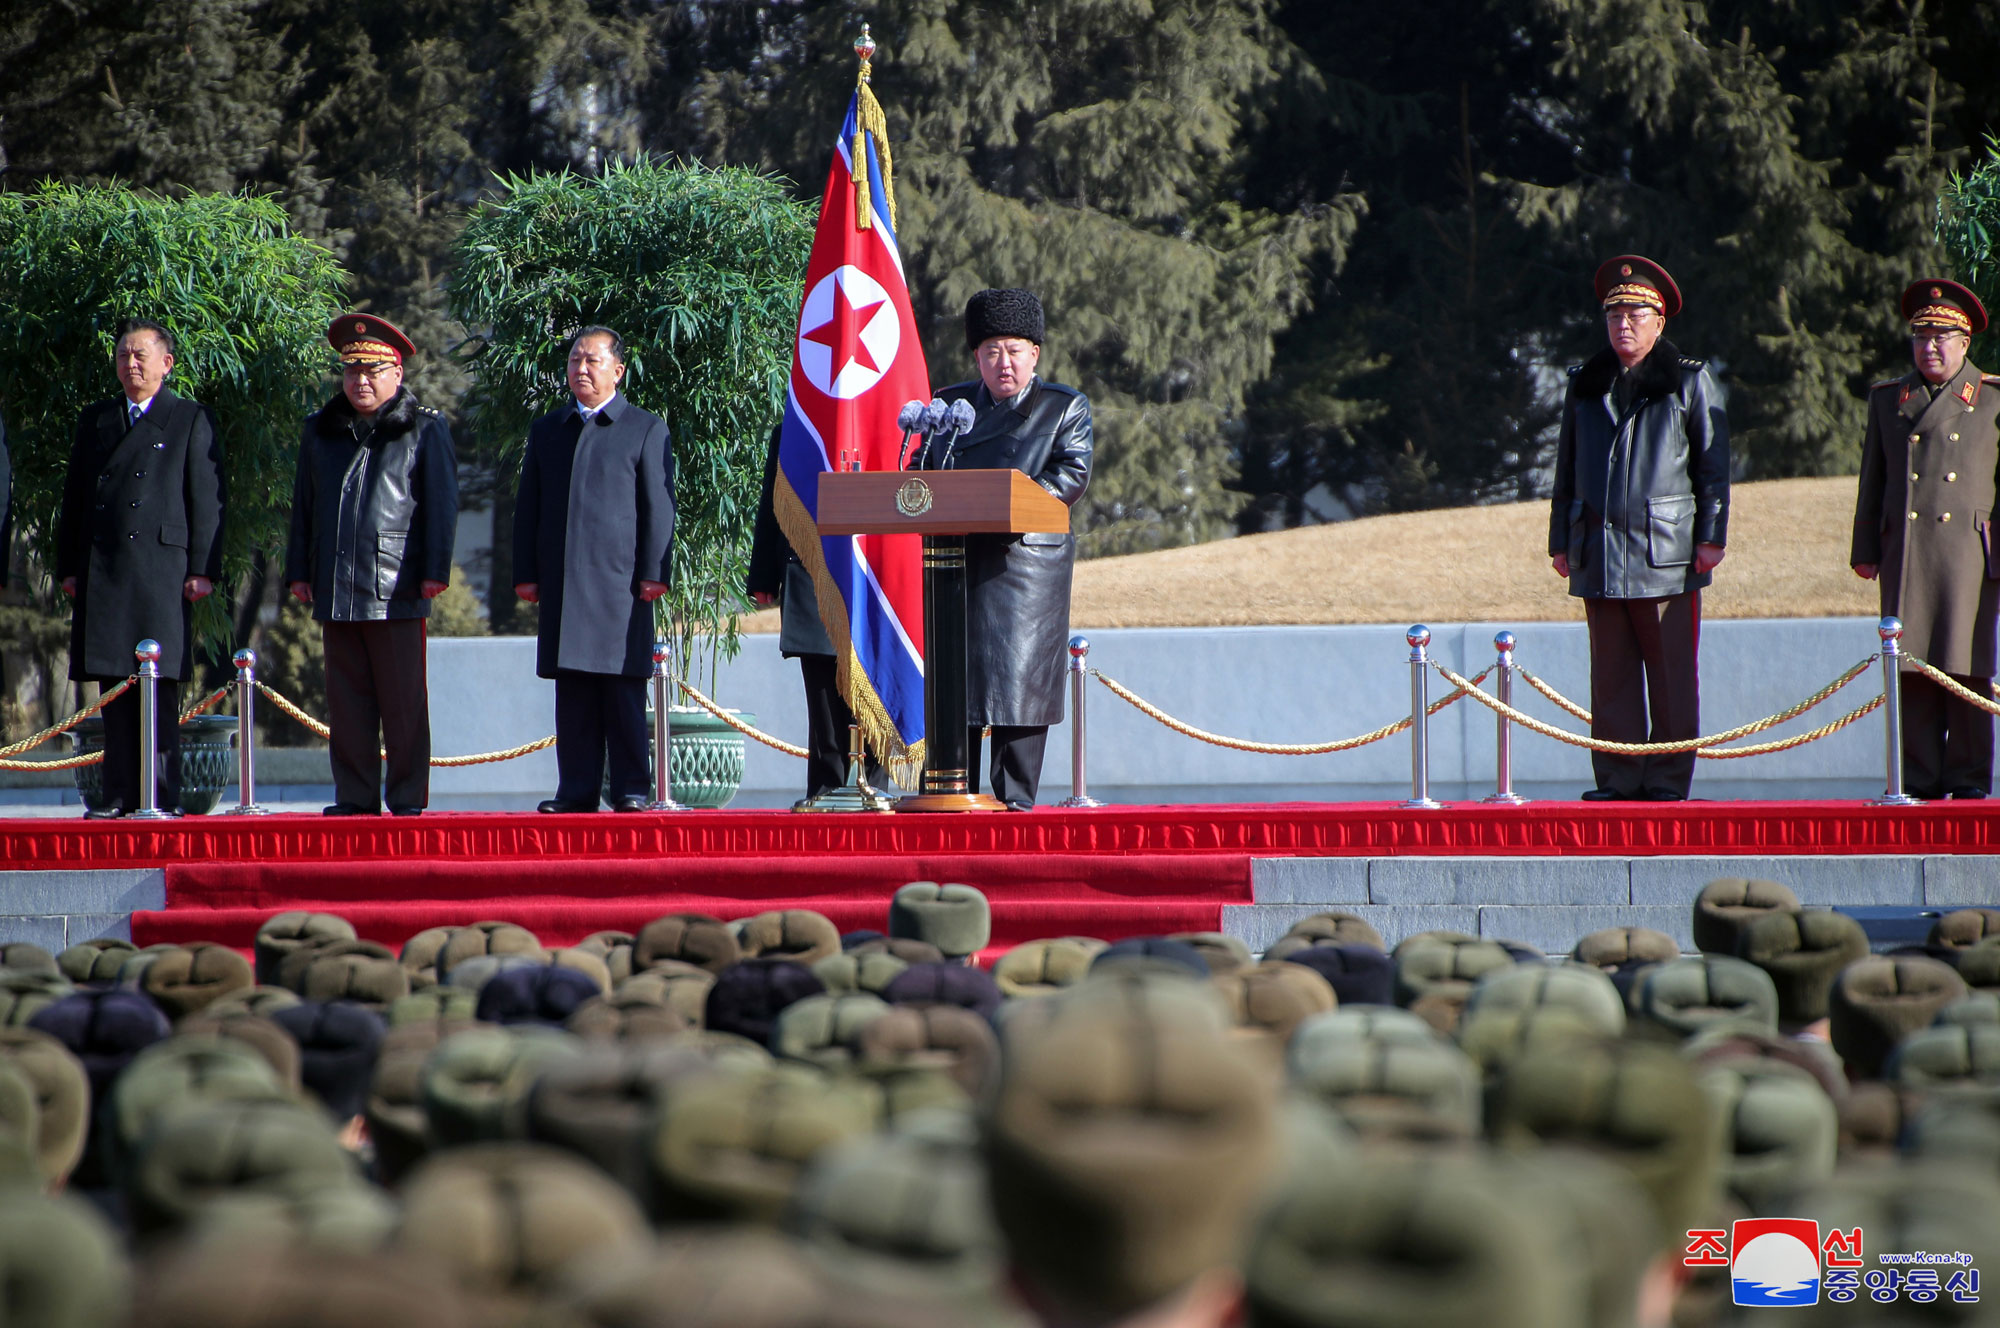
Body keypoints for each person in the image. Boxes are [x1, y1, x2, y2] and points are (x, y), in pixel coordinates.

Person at [1548, 256, 1729, 803]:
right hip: (1599, 549)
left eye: (1635, 314)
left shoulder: (1690, 382)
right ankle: (1619, 779)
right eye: (1614, 315)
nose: (1623, 325)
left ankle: (1668, 780)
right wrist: (1561, 540)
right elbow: (1566, 467)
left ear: (1659, 321)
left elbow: (1712, 468)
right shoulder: (1586, 384)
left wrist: (1711, 536)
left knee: (1671, 678)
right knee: (1612, 679)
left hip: (1666, 554)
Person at [283, 314, 458, 817]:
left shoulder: (424, 428)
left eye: (373, 371)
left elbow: (441, 506)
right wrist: (299, 570)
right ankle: (355, 798)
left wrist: (434, 572)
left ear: (397, 373)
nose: (361, 381)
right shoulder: (321, 430)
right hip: (335, 583)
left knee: (403, 705)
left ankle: (405, 799)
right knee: (348, 704)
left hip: (396, 583)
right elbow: (305, 507)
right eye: (352, 370)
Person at [927, 289, 1093, 810]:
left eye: (1015, 350)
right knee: (959, 696)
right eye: (992, 350)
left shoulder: (1062, 407)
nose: (1004, 363)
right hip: (957, 567)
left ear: (1035, 354)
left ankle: (1016, 809)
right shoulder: (950, 407)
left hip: (1024, 572)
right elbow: (929, 473)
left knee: (1018, 696)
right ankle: (954, 800)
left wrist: (1008, 501)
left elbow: (1070, 474)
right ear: (976, 356)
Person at [55, 319, 225, 818]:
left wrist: (203, 569)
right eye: (124, 355)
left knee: (158, 686)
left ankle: (161, 795)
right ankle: (117, 795)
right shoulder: (98, 420)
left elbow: (207, 501)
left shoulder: (188, 418)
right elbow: (76, 499)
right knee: (113, 685)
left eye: (141, 355)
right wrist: (70, 565)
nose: (131, 364)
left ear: (166, 364)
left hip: (161, 569)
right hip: (105, 567)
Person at [513, 327, 674, 814]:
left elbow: (658, 507)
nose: (581, 369)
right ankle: (576, 790)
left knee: (623, 692)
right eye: (575, 360)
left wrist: (654, 571)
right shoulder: (548, 430)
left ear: (618, 371)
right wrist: (527, 572)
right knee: (575, 695)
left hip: (622, 587)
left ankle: (630, 789)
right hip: (565, 585)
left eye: (593, 361)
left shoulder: (644, 428)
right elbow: (529, 508)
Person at [1850, 279, 2000, 800]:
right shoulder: (1891, 399)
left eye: (1941, 337)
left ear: (1965, 343)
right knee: (1909, 665)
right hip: (1908, 552)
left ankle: (1967, 778)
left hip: (1969, 556)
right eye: (1921, 337)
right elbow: (1874, 479)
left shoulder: (1993, 399)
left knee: (1968, 666)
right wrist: (1866, 549)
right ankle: (1916, 776)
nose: (1930, 347)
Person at [746, 424, 884, 804]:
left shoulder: (886, 416)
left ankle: (873, 787)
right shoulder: (798, 426)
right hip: (812, 566)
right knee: (823, 693)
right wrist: (763, 574)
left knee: (875, 687)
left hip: (877, 572)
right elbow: (774, 500)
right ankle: (827, 790)